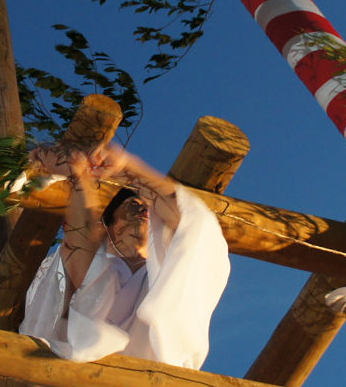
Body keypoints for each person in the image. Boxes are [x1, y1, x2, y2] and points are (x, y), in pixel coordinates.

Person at [16, 141, 231, 370]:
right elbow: (81, 270)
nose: (142, 210)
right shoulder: (92, 262)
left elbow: (194, 223)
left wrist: (127, 168)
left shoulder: (170, 277)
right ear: (107, 224)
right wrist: (79, 178)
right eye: (131, 204)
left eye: (147, 208)